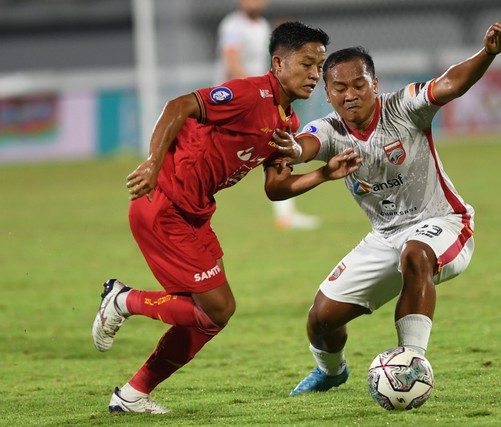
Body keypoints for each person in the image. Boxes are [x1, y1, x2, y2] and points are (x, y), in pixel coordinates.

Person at [90, 21, 342, 414]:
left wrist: (323, 173)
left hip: (195, 214)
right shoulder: (248, 93)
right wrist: (154, 163)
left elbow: (275, 189)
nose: (314, 74)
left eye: (319, 67)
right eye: (306, 63)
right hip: (163, 204)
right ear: (278, 63)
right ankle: (124, 300)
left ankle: (133, 395)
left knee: (209, 317)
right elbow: (179, 106)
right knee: (218, 308)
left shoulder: (286, 124)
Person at [264, 22, 501, 395]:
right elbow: (305, 147)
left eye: (359, 85)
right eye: (340, 88)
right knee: (322, 318)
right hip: (385, 237)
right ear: (328, 95)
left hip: (443, 222)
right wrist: (293, 150)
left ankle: (410, 365)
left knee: (416, 255)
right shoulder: (330, 130)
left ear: (375, 85)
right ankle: (331, 372)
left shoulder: (405, 106)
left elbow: (450, 84)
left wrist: (488, 53)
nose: (351, 95)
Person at [218, 0, 321, 230]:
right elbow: (232, 61)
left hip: (263, 99)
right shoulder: (232, 25)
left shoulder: (263, 26)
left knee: (279, 147)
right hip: (240, 101)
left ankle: (285, 213)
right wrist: (254, 91)